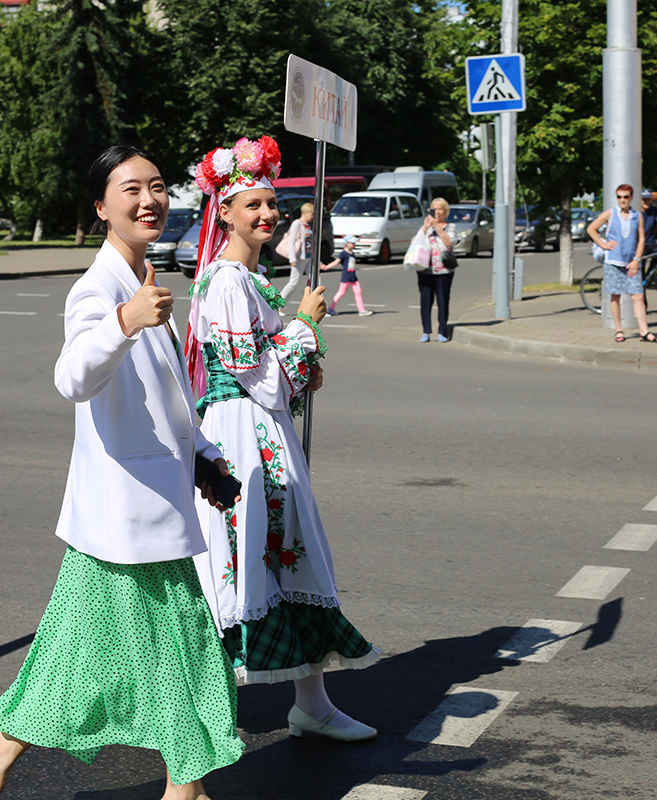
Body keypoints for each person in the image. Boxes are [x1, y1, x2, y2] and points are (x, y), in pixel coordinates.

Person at [0, 144, 245, 800]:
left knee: (78, 663)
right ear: (101, 206)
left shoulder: (143, 277)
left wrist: (204, 462)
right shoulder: (101, 288)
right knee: (191, 660)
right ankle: (186, 793)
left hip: (142, 517)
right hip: (127, 520)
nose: (149, 200)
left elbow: (165, 400)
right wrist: (123, 321)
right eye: (131, 189)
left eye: (158, 187)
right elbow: (73, 376)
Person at [186, 135, 380, 743]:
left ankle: (312, 704)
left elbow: (273, 377)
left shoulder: (250, 277)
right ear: (223, 211)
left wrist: (301, 362)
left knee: (282, 555)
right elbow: (263, 383)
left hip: (264, 436)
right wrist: (306, 326)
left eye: (272, 203)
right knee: (236, 565)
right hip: (241, 439)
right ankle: (206, 719)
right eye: (253, 206)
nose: (267, 214)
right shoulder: (226, 283)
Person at [587, 184, 657, 343]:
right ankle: (618, 330)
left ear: (631, 198)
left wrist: (637, 259)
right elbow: (591, 229)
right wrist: (603, 244)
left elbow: (641, 240)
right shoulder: (610, 214)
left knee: (638, 297)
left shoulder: (637, 216)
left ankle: (644, 331)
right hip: (613, 261)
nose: (622, 200)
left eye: (626, 197)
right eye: (619, 197)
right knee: (615, 296)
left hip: (631, 263)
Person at [416, 197, 455, 342]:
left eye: (440, 209)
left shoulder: (450, 227)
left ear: (445, 211)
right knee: (425, 300)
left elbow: (449, 242)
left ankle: (442, 331)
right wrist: (426, 227)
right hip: (425, 269)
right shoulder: (426, 226)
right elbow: (415, 242)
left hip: (444, 270)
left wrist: (436, 226)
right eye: (435, 209)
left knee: (443, 300)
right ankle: (426, 331)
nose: (437, 212)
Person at [322, 234, 372, 316]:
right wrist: (327, 267)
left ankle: (361, 310)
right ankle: (331, 309)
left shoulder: (352, 253)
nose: (354, 244)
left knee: (358, 292)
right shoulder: (343, 253)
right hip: (346, 276)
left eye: (354, 243)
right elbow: (336, 262)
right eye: (352, 243)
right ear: (347, 243)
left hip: (353, 276)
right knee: (341, 292)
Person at [279, 201, 313, 309]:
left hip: (308, 257)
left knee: (315, 281)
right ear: (305, 212)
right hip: (299, 257)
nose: (313, 216)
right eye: (312, 214)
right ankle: (277, 305)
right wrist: (292, 258)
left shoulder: (307, 225)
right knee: (293, 283)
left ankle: (316, 306)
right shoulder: (297, 224)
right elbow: (291, 241)